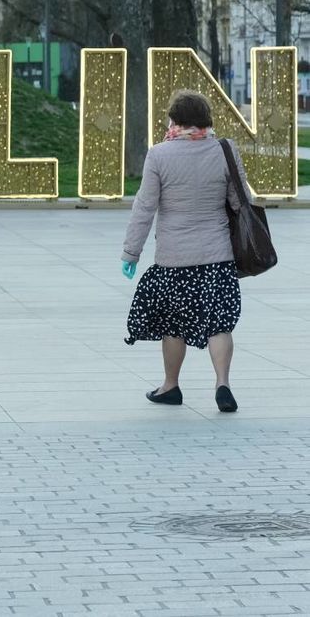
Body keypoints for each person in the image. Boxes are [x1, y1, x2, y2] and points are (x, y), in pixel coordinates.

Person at [121, 89, 248, 413]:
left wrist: (131, 253)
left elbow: (145, 207)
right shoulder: (225, 149)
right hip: (217, 255)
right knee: (219, 323)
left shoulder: (159, 154)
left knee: (172, 324)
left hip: (174, 258)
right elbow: (240, 200)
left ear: (174, 120)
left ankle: (171, 386)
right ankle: (223, 384)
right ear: (206, 119)